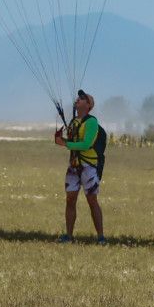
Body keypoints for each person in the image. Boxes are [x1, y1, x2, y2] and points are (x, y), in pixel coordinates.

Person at [53, 89, 105, 244]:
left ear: (88, 105)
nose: (77, 99)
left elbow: (86, 144)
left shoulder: (91, 122)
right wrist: (60, 140)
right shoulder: (73, 122)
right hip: (74, 166)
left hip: (88, 166)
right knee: (70, 199)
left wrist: (65, 144)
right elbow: (72, 142)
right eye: (78, 97)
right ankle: (69, 236)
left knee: (92, 200)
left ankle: (101, 237)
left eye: (82, 98)